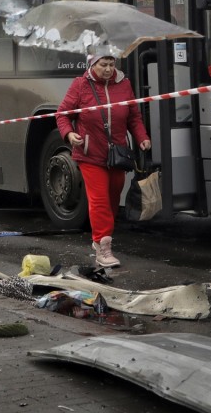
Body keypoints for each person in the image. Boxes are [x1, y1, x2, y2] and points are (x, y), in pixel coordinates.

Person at [55, 48, 151, 268]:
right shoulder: (80, 85)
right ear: (92, 64)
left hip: (117, 154)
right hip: (90, 153)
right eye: (103, 64)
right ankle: (103, 248)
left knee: (112, 198)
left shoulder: (124, 84)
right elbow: (62, 114)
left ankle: (100, 238)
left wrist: (142, 137)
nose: (108, 69)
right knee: (98, 200)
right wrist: (69, 134)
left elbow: (134, 117)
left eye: (111, 64)